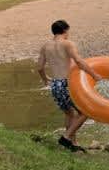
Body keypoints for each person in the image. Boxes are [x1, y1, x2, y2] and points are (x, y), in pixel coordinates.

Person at [37, 19, 101, 152]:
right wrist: (94, 74)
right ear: (65, 30)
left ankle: (73, 143)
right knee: (85, 112)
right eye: (68, 31)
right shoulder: (67, 44)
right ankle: (66, 137)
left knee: (69, 113)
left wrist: (45, 80)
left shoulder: (45, 46)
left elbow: (39, 68)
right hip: (67, 84)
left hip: (55, 84)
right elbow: (78, 61)